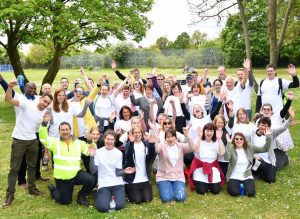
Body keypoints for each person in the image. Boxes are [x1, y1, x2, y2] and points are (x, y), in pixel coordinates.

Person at [2, 80, 53, 207]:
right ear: (40, 98)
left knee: (32, 166)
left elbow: (41, 129)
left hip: (32, 141)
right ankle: (10, 195)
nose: (45, 104)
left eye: (48, 103)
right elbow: (8, 99)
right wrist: (9, 86)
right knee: (14, 169)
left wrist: (45, 122)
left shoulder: (45, 113)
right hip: (19, 140)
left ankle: (32, 188)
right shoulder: (26, 103)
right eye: (44, 101)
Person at [39, 120, 95, 206]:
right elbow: (43, 139)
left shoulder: (78, 143)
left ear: (70, 130)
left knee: (91, 179)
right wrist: (44, 124)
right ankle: (53, 190)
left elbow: (89, 151)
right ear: (59, 131)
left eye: (67, 129)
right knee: (65, 201)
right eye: (62, 130)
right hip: (62, 177)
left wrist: (90, 141)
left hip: (76, 174)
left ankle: (81, 196)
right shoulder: (54, 143)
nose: (65, 132)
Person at [89, 130, 135, 212]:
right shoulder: (98, 152)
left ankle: (110, 196)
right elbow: (93, 171)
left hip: (117, 183)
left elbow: (117, 173)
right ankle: (97, 193)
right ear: (104, 139)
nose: (109, 141)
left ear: (115, 141)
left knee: (120, 206)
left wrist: (124, 171)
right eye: (108, 139)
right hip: (104, 183)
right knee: (103, 208)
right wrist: (92, 156)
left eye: (112, 139)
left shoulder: (118, 153)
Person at [224, 131, 273, 197]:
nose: (239, 140)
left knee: (250, 193)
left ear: (244, 140)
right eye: (236, 139)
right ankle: (238, 185)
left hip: (246, 175)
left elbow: (265, 149)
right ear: (234, 140)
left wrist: (268, 137)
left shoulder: (249, 147)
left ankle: (244, 184)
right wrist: (229, 143)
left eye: (241, 139)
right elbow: (226, 158)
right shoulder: (231, 148)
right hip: (233, 176)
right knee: (234, 192)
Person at [155, 127, 195, 202]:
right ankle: (167, 188)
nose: (170, 139)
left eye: (172, 136)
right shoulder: (162, 146)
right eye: (168, 137)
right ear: (165, 139)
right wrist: (156, 139)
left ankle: (173, 188)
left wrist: (187, 135)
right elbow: (156, 149)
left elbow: (192, 148)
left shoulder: (181, 146)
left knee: (180, 198)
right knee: (166, 198)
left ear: (176, 138)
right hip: (164, 177)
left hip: (178, 177)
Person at [252, 116, 292, 183]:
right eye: (262, 125)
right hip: (256, 159)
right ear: (258, 125)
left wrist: (290, 118)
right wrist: (254, 156)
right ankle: (255, 173)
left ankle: (285, 158)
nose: (263, 127)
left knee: (271, 180)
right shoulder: (252, 133)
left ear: (269, 127)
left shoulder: (271, 133)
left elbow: (282, 128)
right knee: (260, 163)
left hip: (268, 160)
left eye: (266, 126)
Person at [188, 123, 225, 195]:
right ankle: (203, 184)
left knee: (216, 190)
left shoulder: (216, 141)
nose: (209, 133)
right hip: (200, 169)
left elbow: (221, 153)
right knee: (202, 191)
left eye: (211, 131)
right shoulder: (198, 140)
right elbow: (196, 150)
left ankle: (210, 184)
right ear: (204, 131)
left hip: (213, 169)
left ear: (214, 132)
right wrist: (199, 137)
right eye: (207, 130)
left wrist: (220, 139)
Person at [124, 126, 156, 204]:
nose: (137, 134)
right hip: (132, 179)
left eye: (139, 132)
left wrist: (152, 145)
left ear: (142, 134)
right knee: (137, 200)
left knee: (147, 199)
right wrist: (131, 143)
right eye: (135, 132)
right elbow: (128, 159)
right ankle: (127, 189)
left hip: (144, 178)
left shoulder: (145, 144)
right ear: (131, 134)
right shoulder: (128, 145)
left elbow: (151, 159)